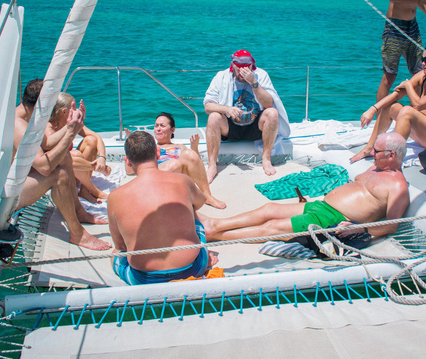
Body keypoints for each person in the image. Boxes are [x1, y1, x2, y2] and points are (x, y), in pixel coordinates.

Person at [200, 133, 409, 241]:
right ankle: (215, 223)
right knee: (269, 209)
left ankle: (214, 235)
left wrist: (359, 228)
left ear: (391, 155)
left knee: (272, 228)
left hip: (333, 219)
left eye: (377, 151)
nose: (372, 153)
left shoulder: (398, 187)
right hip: (323, 206)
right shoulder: (376, 168)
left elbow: (392, 225)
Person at [107, 131, 219, 284]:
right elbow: (200, 202)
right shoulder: (182, 180)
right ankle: (203, 258)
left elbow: (120, 246)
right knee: (191, 209)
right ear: (158, 153)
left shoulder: (114, 197)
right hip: (192, 268)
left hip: (144, 280)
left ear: (127, 161)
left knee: (115, 255)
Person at [14, 79, 111, 251]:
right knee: (58, 174)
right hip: (13, 191)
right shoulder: (19, 124)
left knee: (64, 156)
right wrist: (71, 132)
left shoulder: (30, 117)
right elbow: (44, 167)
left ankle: (79, 211)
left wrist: (73, 125)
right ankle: (77, 233)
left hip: (24, 177)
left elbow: (49, 142)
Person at [351, 44, 426, 162]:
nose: (424, 63)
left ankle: (393, 160)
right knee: (391, 107)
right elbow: (397, 94)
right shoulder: (424, 76)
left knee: (408, 111)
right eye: (423, 59)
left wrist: (408, 85)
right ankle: (369, 148)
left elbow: (418, 105)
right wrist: (373, 109)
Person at [203, 49, 291, 183]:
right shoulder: (221, 77)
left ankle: (266, 160)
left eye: (245, 68)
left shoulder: (260, 75)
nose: (241, 72)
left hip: (254, 126)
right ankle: (212, 166)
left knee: (272, 113)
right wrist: (226, 109)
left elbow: (269, 103)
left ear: (251, 66)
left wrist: (253, 83)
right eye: (238, 68)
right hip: (230, 127)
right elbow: (208, 106)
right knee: (213, 117)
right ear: (232, 65)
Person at [152, 112, 226, 209]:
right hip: (159, 180)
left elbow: (196, 165)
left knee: (189, 154)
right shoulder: (151, 147)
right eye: (156, 125)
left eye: (162, 126)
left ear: (172, 130)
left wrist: (194, 149)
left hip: (178, 181)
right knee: (175, 164)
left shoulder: (180, 147)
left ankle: (207, 196)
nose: (158, 129)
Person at [49, 92, 111, 204]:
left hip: (77, 171)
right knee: (73, 155)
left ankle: (84, 190)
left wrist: (102, 158)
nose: (77, 111)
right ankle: (94, 190)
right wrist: (98, 167)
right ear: (64, 112)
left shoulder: (74, 123)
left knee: (91, 140)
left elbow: (96, 137)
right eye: (74, 108)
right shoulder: (50, 128)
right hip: (60, 175)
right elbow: (60, 159)